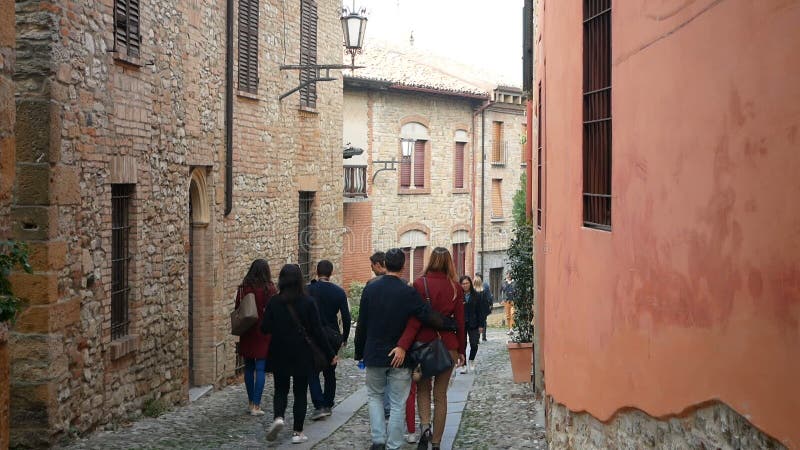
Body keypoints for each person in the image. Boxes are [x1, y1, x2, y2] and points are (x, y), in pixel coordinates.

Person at [354, 248, 439, 450]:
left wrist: (359, 353)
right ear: (403, 266)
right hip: (401, 355)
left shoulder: (371, 288)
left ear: (384, 263)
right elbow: (425, 315)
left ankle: (378, 440)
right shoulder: (408, 291)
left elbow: (362, 324)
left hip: (374, 352)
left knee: (374, 396)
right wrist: (449, 324)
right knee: (398, 401)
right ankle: (393, 444)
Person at [398, 247, 466, 450]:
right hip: (448, 346)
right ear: (449, 263)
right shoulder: (455, 288)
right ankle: (436, 442)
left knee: (423, 389)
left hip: (424, 345)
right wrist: (462, 349)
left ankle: (425, 426)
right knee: (441, 394)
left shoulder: (419, 284)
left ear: (430, 261)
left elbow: (414, 319)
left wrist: (404, 344)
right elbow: (461, 322)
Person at [262, 264, 337, 444]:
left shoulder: (274, 302)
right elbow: (318, 331)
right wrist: (330, 353)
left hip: (279, 351)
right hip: (302, 352)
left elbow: (265, 328)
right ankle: (297, 432)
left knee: (280, 389)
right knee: (300, 392)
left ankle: (279, 417)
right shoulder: (308, 302)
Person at [308, 260, 351, 420]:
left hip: (313, 335)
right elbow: (346, 317)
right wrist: (344, 337)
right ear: (331, 273)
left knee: (312, 371)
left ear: (316, 272)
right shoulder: (338, 292)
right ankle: (328, 403)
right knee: (329, 371)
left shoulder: (308, 290)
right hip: (332, 335)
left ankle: (319, 404)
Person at [236, 259, 277, 416]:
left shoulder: (243, 289)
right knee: (260, 368)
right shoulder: (269, 289)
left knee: (248, 367)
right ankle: (256, 405)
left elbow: (237, 308)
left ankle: (250, 402)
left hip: (247, 331)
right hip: (263, 332)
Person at [458, 276, 485, 374]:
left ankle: (471, 359)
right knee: (462, 344)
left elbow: (481, 311)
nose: (465, 285)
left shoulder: (477, 296)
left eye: (467, 283)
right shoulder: (458, 296)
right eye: (463, 283)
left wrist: (481, 325)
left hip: (474, 323)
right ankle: (463, 365)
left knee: (474, 343)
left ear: (470, 283)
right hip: (461, 323)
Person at [473, 274, 493, 342]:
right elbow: (489, 298)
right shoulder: (485, 288)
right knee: (483, 322)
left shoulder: (472, 291)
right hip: (483, 311)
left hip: (475, 312)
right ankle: (484, 336)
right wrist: (490, 305)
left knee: (476, 323)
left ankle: (477, 337)